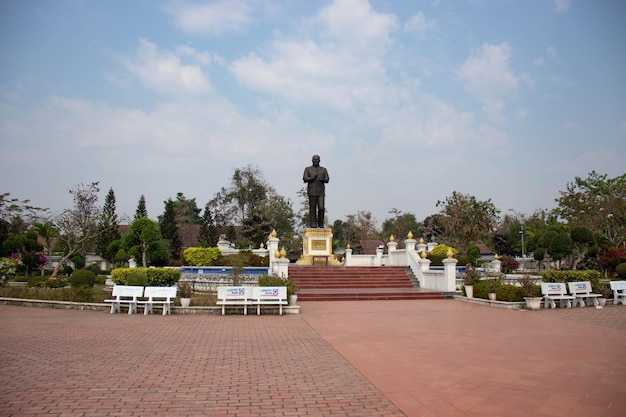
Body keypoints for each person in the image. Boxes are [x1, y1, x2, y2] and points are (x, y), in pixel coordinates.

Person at [303, 155, 329, 228]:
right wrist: (312, 178)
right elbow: (305, 178)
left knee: (321, 208)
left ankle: (321, 223)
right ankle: (313, 223)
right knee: (313, 208)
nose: (315, 161)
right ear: (312, 160)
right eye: (314, 159)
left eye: (317, 160)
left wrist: (322, 179)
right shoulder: (308, 169)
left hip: (321, 192)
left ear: (319, 160)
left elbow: (327, 179)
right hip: (312, 191)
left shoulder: (323, 169)